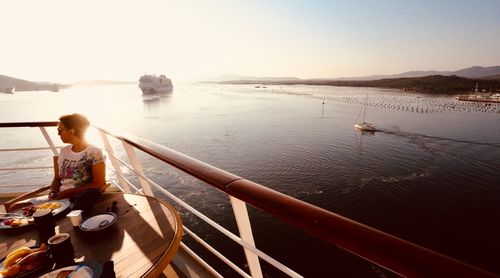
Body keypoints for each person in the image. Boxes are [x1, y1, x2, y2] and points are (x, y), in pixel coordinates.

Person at [48, 113, 106, 210]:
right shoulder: (64, 151)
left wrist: (66, 193)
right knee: (16, 207)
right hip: (59, 199)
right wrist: (52, 191)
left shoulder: (93, 152)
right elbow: (57, 179)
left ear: (71, 131)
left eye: (60, 130)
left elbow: (98, 184)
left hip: (77, 200)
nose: (58, 134)